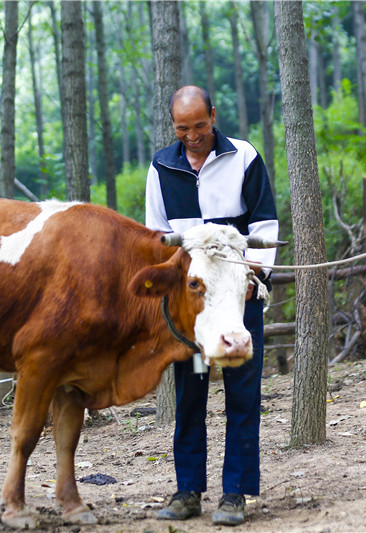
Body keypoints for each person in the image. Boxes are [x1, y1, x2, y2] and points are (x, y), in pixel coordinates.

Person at [145, 85, 279, 526]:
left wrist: (253, 279)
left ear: (214, 117)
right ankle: (188, 491)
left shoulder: (243, 156)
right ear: (174, 126)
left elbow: (264, 224)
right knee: (191, 392)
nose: (193, 136)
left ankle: (235, 494)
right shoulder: (162, 166)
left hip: (238, 301)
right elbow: (156, 235)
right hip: (195, 310)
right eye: (183, 128)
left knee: (242, 393)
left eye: (200, 126)